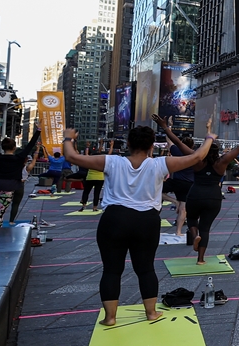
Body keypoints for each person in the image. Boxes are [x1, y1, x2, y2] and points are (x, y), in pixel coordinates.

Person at [62, 121, 214, 326]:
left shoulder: (112, 161)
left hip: (114, 219)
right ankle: (151, 313)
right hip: (146, 221)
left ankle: (110, 317)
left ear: (128, 143)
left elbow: (71, 156)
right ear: (152, 146)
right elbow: (197, 156)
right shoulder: (160, 163)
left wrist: (69, 137)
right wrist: (209, 138)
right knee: (145, 269)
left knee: (111, 270)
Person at [188, 123, 239, 266]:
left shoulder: (196, 159)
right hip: (214, 196)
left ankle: (194, 235)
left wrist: (166, 129)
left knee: (191, 218)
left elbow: (178, 144)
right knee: (206, 227)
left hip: (195, 193)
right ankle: (201, 259)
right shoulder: (222, 161)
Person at [0, 129, 40, 226]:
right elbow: (30, 145)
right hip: (10, 187)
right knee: (1, 210)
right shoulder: (19, 158)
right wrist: (38, 131)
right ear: (14, 148)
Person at [79, 141, 113, 211]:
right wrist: (111, 145)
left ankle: (84, 205)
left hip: (90, 178)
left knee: (86, 192)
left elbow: (86, 154)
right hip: (99, 178)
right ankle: (95, 207)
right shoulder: (102, 161)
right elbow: (109, 154)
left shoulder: (90, 161)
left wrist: (87, 147)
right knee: (97, 193)